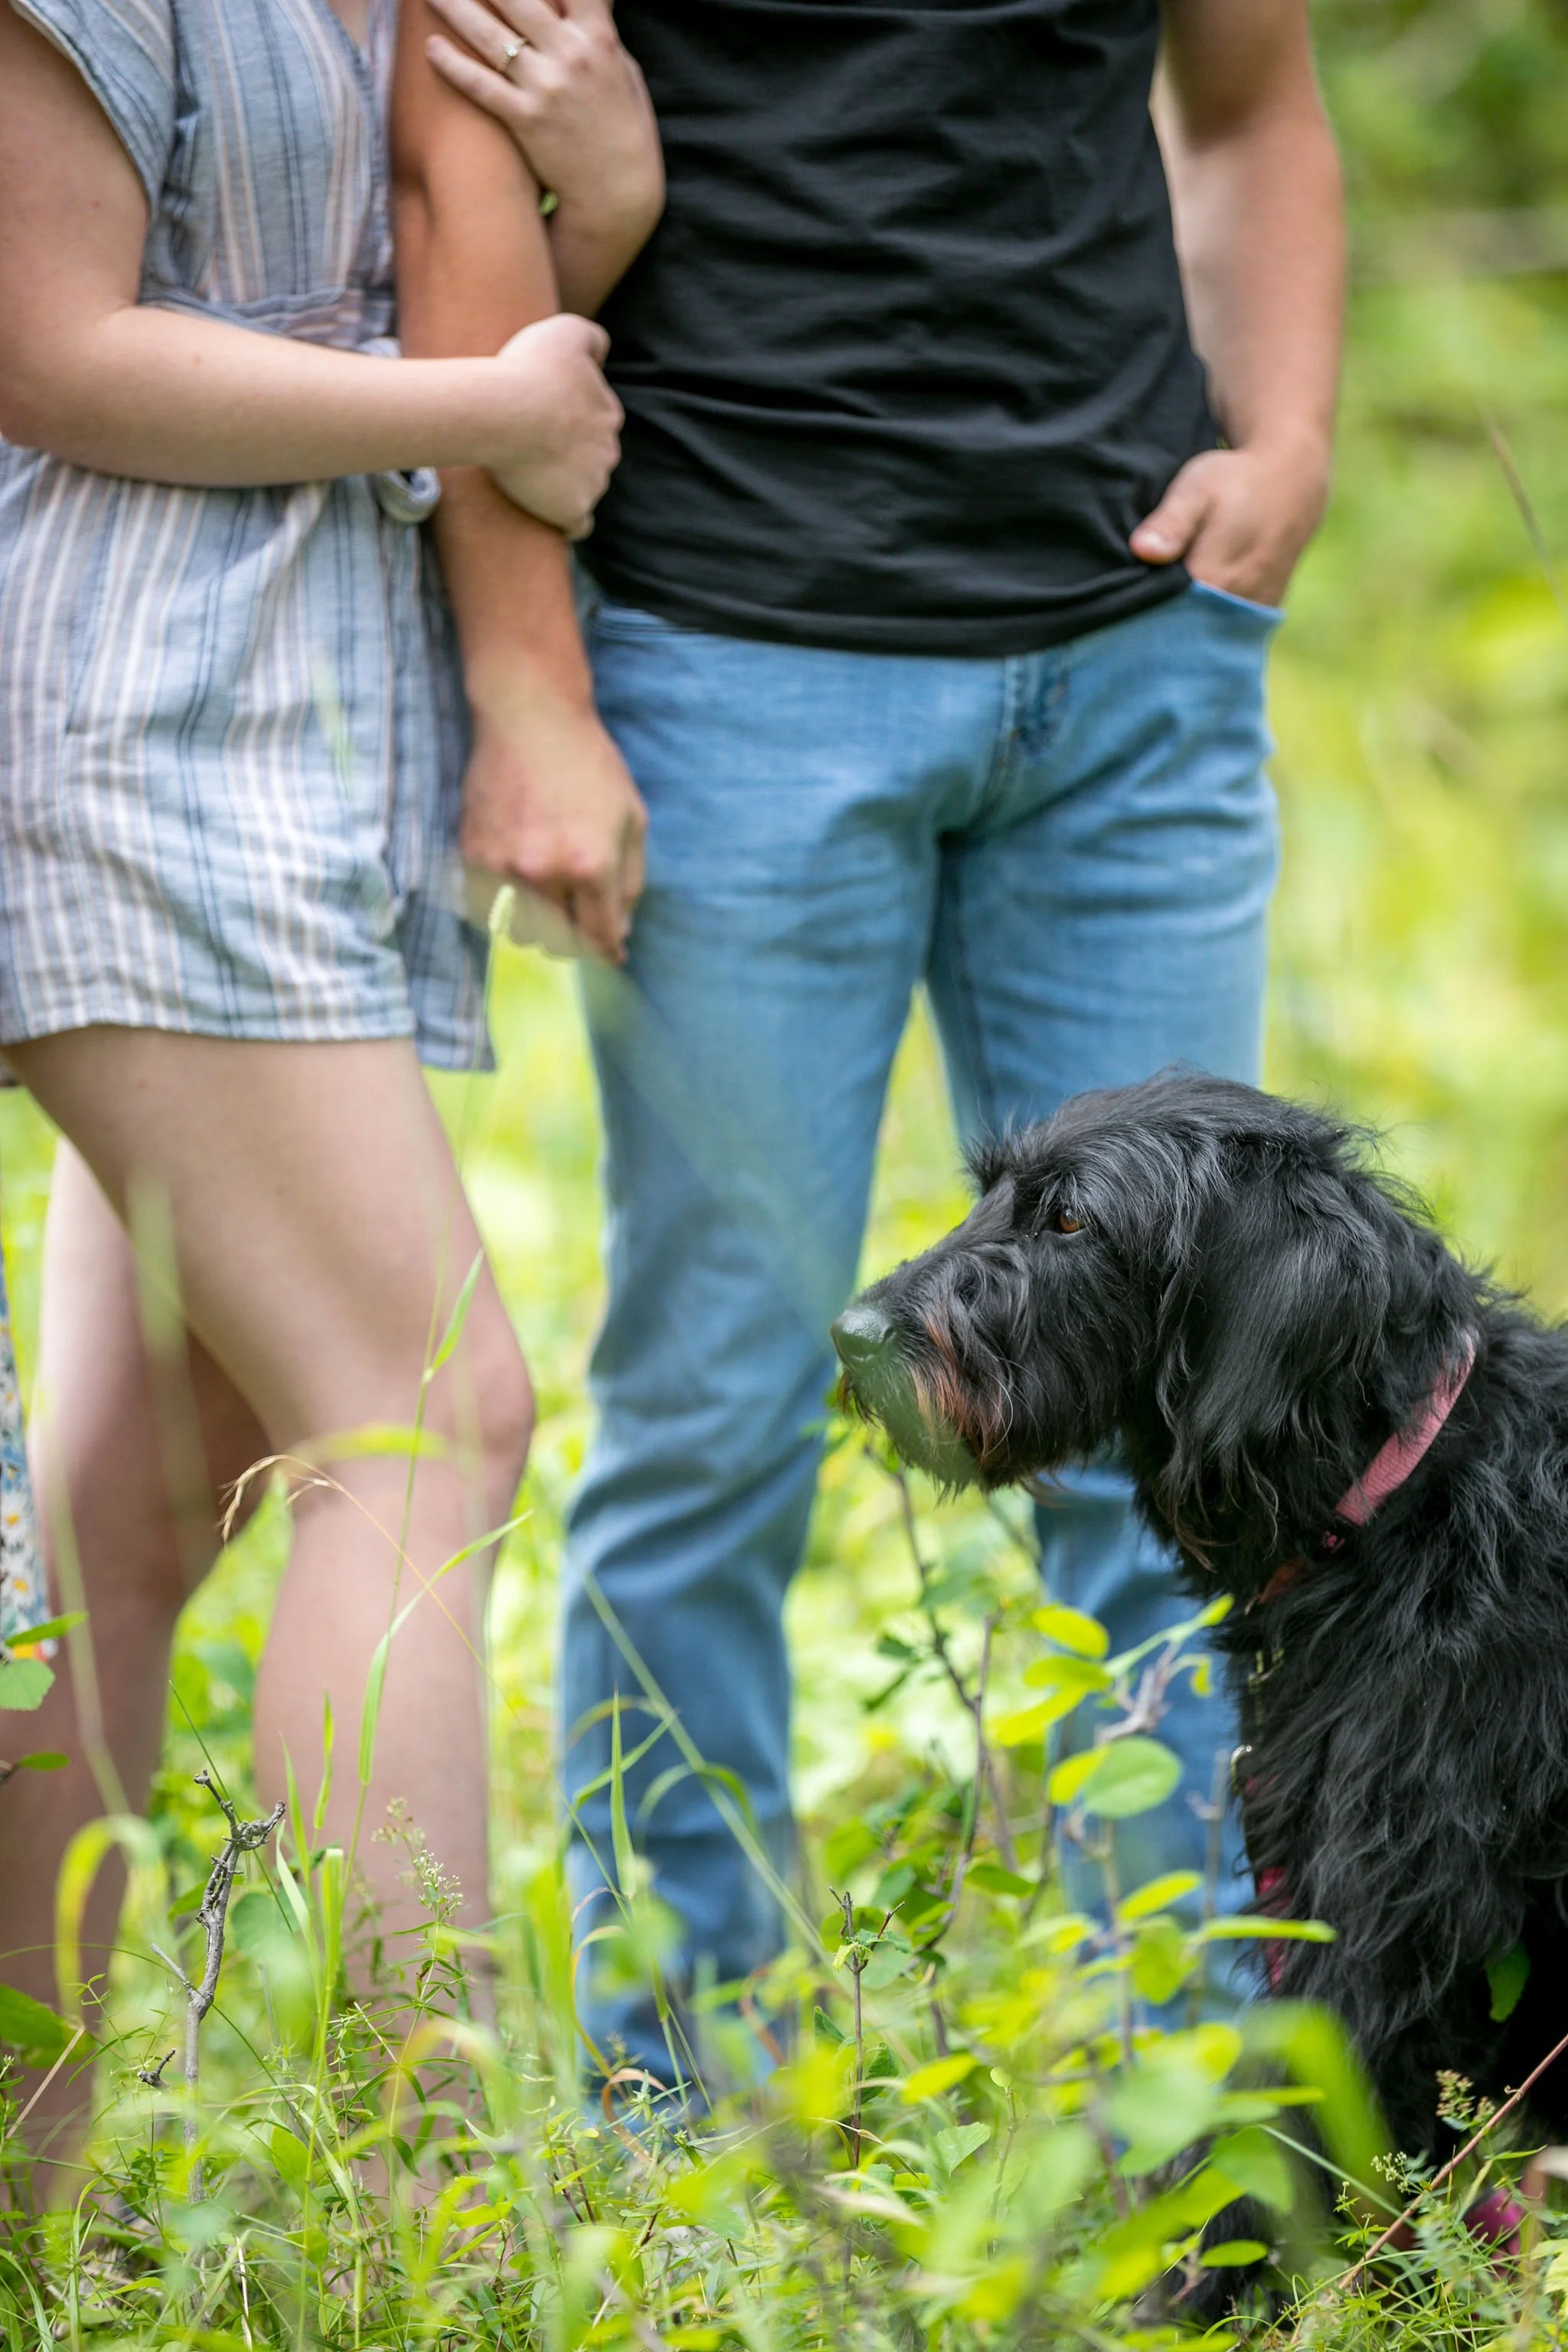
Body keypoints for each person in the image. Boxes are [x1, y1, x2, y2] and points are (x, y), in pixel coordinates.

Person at [397, 0, 1344, 2089]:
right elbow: (454, 189)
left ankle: (1199, 2086)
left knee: (1190, 1407)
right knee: (721, 1409)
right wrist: (531, 684)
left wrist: (1285, 437)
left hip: (1131, 684)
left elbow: (1255, 89)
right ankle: (682, 2088)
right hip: (735, 667)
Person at [0, 0, 638, 2173]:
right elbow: (50, 347)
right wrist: (471, 401)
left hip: (270, 736)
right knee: (423, 1423)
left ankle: (27, 2175)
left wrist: (604, 206)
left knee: (133, 1515)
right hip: (141, 729)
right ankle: (434, 2200)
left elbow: (420, 303)